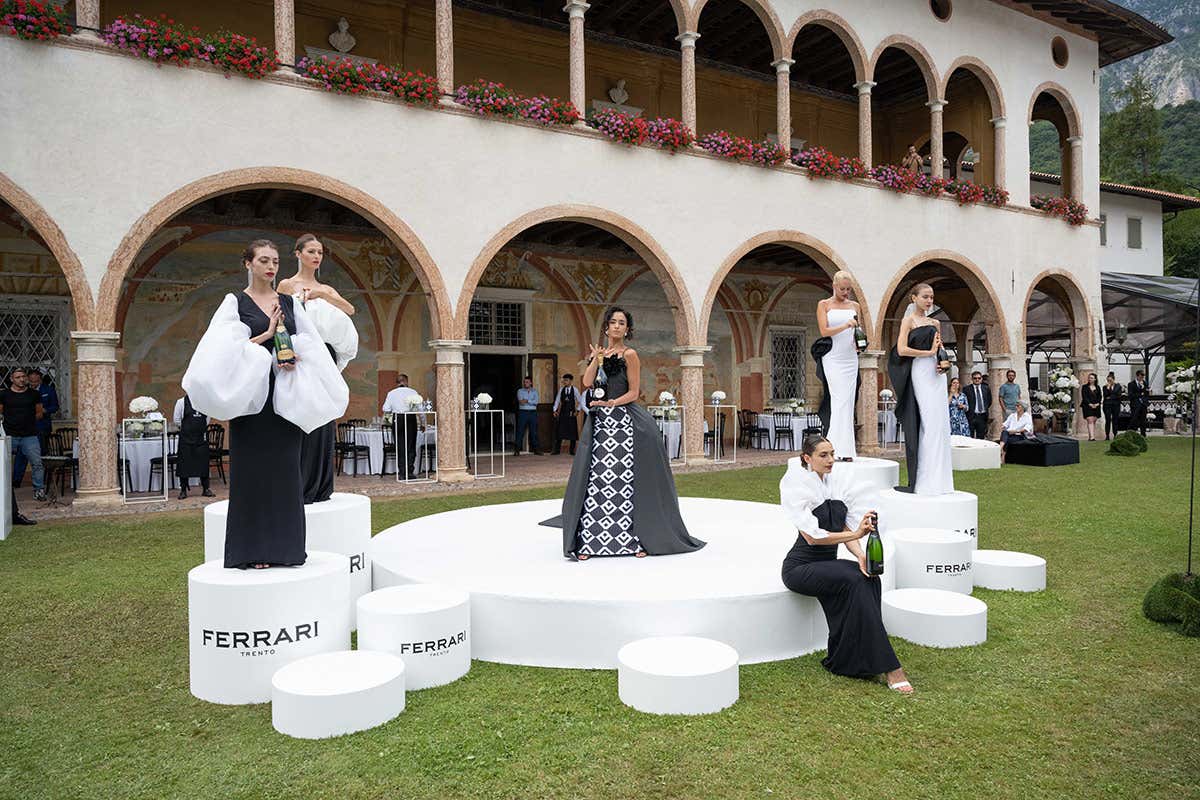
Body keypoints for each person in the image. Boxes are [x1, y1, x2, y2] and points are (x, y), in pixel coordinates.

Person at [182, 239, 347, 569]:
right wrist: (266, 333)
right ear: (248, 264)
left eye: (274, 261)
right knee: (251, 473)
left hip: (284, 401)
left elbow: (310, 343)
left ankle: (285, 550)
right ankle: (251, 551)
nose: (271, 267)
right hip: (250, 404)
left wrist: (295, 354)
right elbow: (223, 351)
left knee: (286, 473)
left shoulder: (289, 302)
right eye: (263, 261)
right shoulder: (235, 303)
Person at [542, 306, 705, 560]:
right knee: (597, 480)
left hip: (624, 423)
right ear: (606, 327)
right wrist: (595, 360)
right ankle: (590, 543)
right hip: (599, 425)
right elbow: (586, 383)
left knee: (623, 480)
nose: (617, 326)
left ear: (627, 329)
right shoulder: (601, 354)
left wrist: (610, 404)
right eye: (613, 322)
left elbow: (634, 392)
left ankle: (633, 541)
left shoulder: (631, 354)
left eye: (622, 323)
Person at [780, 435, 912, 694]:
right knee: (854, 578)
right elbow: (813, 537)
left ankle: (846, 660)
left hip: (826, 564)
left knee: (869, 577)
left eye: (832, 454)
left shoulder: (834, 482)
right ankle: (891, 667)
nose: (830, 460)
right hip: (800, 567)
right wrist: (856, 535)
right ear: (807, 459)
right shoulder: (795, 484)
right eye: (823, 455)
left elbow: (843, 525)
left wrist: (861, 555)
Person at [278, 234, 359, 503]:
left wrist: (323, 294)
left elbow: (350, 309)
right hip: (300, 352)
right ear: (298, 254)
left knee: (324, 416)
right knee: (301, 412)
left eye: (320, 252)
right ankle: (296, 485)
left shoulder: (326, 289)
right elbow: (278, 317)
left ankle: (321, 486)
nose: (316, 256)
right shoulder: (287, 284)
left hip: (324, 353)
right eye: (311, 251)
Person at [887, 284, 954, 495]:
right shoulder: (909, 321)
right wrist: (927, 354)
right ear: (914, 298)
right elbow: (901, 349)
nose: (929, 301)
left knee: (940, 424)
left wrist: (944, 363)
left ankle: (940, 481)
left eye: (932, 297)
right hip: (920, 371)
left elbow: (940, 348)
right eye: (925, 297)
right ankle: (924, 480)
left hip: (936, 374)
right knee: (928, 421)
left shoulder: (935, 322)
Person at [813, 271, 861, 460]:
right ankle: (833, 448)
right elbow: (824, 331)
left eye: (849, 289)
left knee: (848, 403)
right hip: (833, 358)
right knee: (838, 400)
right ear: (834, 286)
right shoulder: (824, 305)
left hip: (850, 358)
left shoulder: (855, 306)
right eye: (842, 289)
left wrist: (859, 342)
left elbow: (859, 330)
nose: (846, 292)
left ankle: (846, 450)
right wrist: (845, 326)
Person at [0, 368, 46, 501]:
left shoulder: (33, 394)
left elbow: (39, 413)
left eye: (23, 377)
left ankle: (39, 490)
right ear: (12, 379)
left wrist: (28, 420)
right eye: (18, 377)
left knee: (37, 463)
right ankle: (4, 491)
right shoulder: (4, 395)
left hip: (29, 435)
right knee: (4, 462)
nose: (21, 379)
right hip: (10, 434)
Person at [172, 394, 215, 499]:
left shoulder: (205, 402)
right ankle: (183, 490)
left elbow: (207, 419)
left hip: (201, 439)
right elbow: (176, 420)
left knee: (203, 464)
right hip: (186, 439)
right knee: (184, 465)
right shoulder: (181, 402)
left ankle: (206, 489)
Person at [382, 374, 421, 478]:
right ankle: (410, 472)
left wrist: (393, 410)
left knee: (400, 446)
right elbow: (420, 410)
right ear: (406, 381)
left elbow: (385, 408)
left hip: (397, 419)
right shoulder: (413, 392)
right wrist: (423, 423)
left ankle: (402, 472)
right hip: (410, 418)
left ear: (397, 382)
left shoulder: (391, 393)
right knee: (411, 445)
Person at [552, 373, 583, 455]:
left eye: (567, 380)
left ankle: (572, 450)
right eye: (564, 380)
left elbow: (581, 401)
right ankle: (557, 450)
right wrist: (554, 410)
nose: (565, 382)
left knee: (572, 432)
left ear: (571, 381)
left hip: (571, 413)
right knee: (560, 431)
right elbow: (557, 400)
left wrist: (578, 410)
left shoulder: (575, 390)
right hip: (562, 412)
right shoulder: (561, 390)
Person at [514, 376, 540, 456]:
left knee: (534, 432)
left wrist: (527, 400)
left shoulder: (535, 391)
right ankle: (517, 450)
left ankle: (536, 450)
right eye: (525, 382)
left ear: (531, 383)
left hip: (533, 413)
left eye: (527, 382)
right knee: (520, 431)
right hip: (523, 413)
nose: (526, 383)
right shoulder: (520, 391)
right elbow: (521, 402)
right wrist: (529, 401)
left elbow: (536, 402)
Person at [964, 371, 991, 439]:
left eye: (979, 378)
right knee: (970, 436)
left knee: (981, 437)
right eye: (975, 378)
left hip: (982, 416)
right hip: (971, 416)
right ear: (972, 379)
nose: (977, 380)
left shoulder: (986, 388)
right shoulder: (967, 389)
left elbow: (989, 401)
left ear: (981, 379)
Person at [1128, 369, 1150, 436]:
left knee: (1143, 420)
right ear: (1137, 376)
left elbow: (1146, 394)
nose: (1142, 377)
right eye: (1141, 375)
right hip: (1135, 405)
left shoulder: (1145, 383)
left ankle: (1143, 434)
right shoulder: (1131, 384)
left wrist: (1146, 402)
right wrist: (1141, 393)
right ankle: (1132, 434)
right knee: (1134, 420)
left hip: (1143, 404)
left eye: (1143, 376)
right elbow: (1131, 395)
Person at [1081, 372, 1102, 442]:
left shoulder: (1098, 387)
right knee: (1090, 420)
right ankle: (1092, 438)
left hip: (1096, 406)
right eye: (1089, 378)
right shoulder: (1084, 387)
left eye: (1091, 378)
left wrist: (1097, 403)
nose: (1090, 379)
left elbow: (1100, 396)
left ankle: (1091, 436)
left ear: (1095, 379)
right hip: (1087, 406)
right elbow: (1084, 396)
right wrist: (1089, 404)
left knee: (1094, 421)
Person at [1102, 372, 1123, 440]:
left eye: (1110, 380)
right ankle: (1107, 435)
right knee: (1108, 419)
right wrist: (1108, 389)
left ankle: (1115, 434)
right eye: (1108, 380)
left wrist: (1110, 397)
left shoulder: (1118, 386)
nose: (1109, 382)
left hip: (1115, 405)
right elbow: (1105, 396)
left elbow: (1118, 396)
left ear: (1113, 380)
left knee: (1115, 420)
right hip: (1107, 405)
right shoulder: (1105, 387)